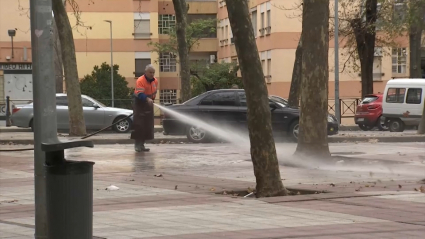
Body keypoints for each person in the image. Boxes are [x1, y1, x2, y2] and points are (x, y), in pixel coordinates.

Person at [131, 64, 158, 152]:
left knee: (147, 126)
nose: (152, 74)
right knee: (139, 125)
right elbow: (139, 93)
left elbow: (153, 93)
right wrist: (147, 99)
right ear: (146, 72)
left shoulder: (155, 81)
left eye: (153, 72)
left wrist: (151, 100)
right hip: (139, 104)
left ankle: (142, 145)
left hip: (148, 104)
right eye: (150, 72)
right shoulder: (140, 80)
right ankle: (137, 145)